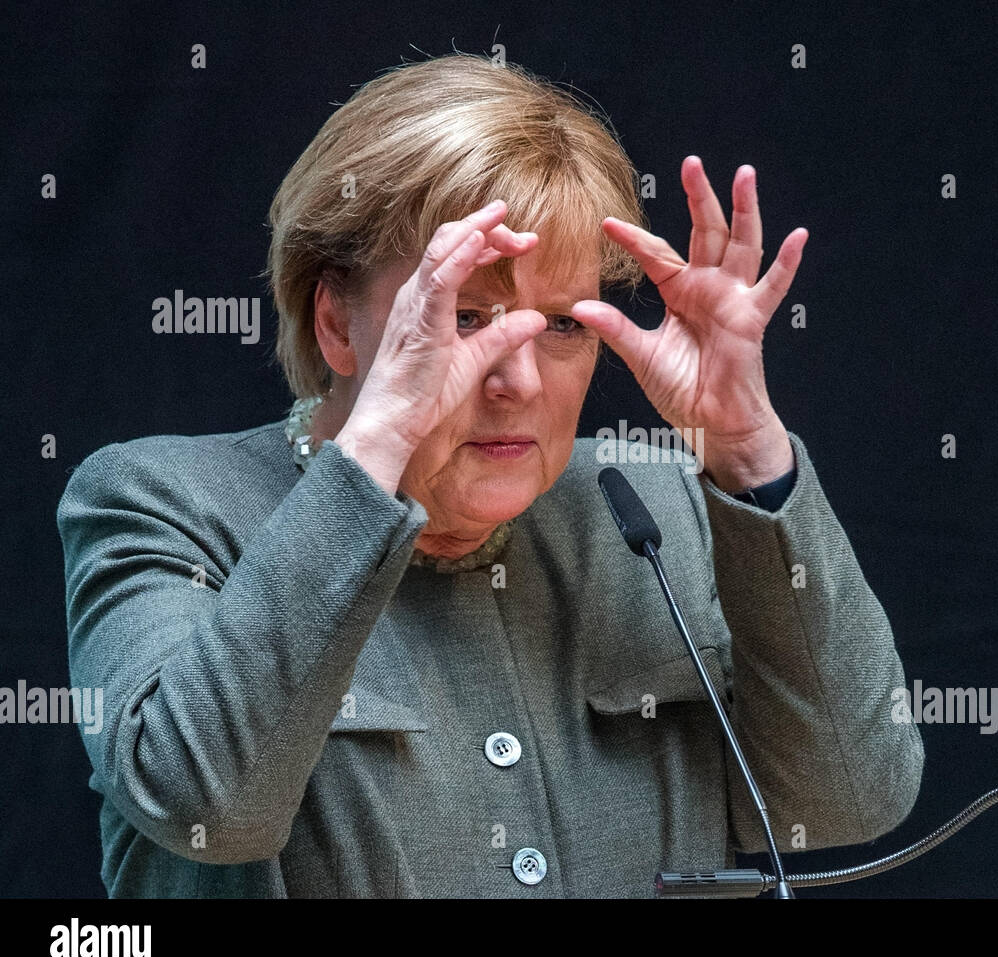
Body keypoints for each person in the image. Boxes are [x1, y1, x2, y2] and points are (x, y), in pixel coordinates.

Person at [57, 53, 924, 898]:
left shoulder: (659, 503)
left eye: (560, 325)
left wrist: (743, 450)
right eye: (469, 318)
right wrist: (380, 447)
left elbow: (850, 800)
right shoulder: (160, 504)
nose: (521, 382)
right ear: (336, 324)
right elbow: (207, 804)